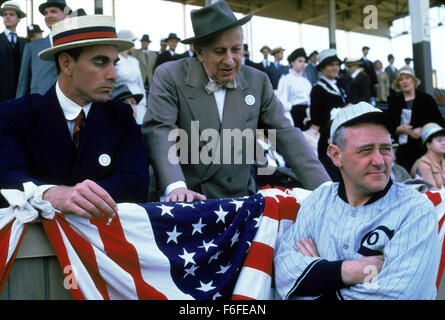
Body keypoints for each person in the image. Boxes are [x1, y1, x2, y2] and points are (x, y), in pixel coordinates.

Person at [142, 0, 330, 202]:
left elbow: (285, 134)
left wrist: (326, 189)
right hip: (188, 201)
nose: (230, 60)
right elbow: (160, 130)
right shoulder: (170, 75)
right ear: (198, 51)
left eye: (236, 49)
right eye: (219, 51)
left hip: (239, 200)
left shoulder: (257, 81)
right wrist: (176, 187)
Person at [274, 102, 441, 300]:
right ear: (336, 155)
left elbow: (398, 295)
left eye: (386, 149)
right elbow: (284, 272)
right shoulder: (319, 199)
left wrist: (318, 275)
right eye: (366, 150)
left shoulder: (415, 209)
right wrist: (347, 271)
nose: (379, 160)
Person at [0, 14, 150, 219]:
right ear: (66, 64)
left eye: (114, 63)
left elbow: (136, 184)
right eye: (100, 62)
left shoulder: (120, 116)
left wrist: (74, 196)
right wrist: (50, 194)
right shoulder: (17, 114)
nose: (113, 75)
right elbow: (6, 176)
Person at [387, 66, 444, 172]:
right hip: (404, 152)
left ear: (413, 80)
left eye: (407, 78)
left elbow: (438, 121)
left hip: (425, 150)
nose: (404, 81)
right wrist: (401, 129)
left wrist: (423, 129)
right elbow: (388, 124)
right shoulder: (395, 101)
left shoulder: (426, 99)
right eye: (401, 79)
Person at [15, 0, 70, 98]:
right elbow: (23, 83)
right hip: (40, 106)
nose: (48, 16)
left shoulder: (75, 43)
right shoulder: (31, 47)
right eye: (45, 13)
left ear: (65, 15)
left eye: (53, 11)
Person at [309, 48, 350, 161]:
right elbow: (316, 118)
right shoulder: (318, 89)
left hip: (343, 135)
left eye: (337, 65)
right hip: (328, 138)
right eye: (331, 65)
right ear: (322, 67)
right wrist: (343, 111)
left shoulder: (339, 86)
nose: (336, 68)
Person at [115, 29, 146, 125]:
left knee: (140, 127)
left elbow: (140, 83)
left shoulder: (134, 61)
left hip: (138, 99)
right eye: (132, 41)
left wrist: (145, 102)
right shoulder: (115, 60)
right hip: (122, 98)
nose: (134, 44)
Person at [276, 48, 312, 130]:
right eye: (300, 61)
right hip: (294, 114)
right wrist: (292, 109)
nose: (303, 64)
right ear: (292, 62)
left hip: (308, 114)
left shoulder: (306, 81)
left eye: (304, 61)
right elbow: (282, 101)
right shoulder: (285, 80)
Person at [0, 1, 27, 102]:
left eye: (11, 14)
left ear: (18, 19)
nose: (7, 17)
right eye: (5, 14)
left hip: (19, 97)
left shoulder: (25, 43)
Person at [410, 123, 445, 188]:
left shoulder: (443, 161)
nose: (444, 143)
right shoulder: (423, 164)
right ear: (428, 145)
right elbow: (432, 191)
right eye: (439, 140)